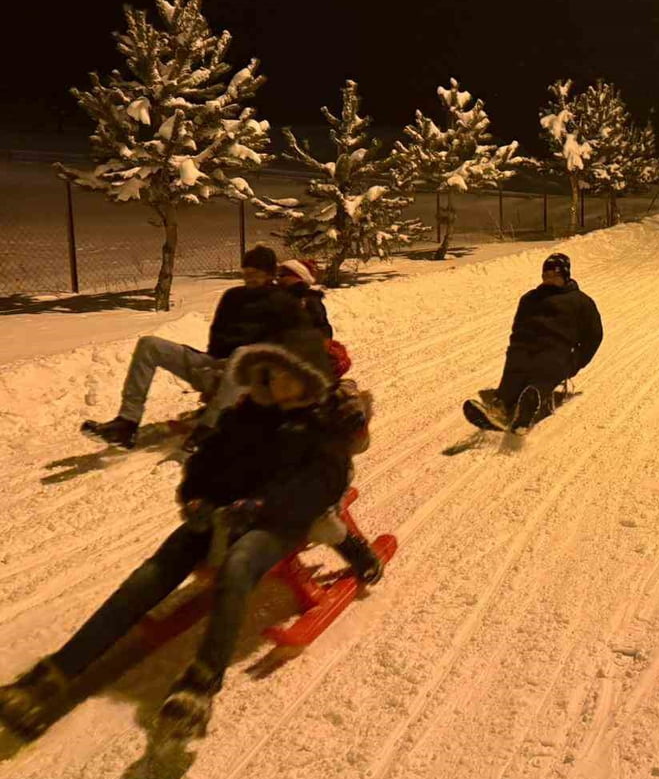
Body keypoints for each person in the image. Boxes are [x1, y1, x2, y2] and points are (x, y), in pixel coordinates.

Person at [0, 328, 380, 744]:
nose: (278, 381)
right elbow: (206, 461)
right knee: (151, 574)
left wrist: (261, 508)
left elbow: (321, 485)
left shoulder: (321, 426)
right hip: (223, 513)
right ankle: (56, 671)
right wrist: (196, 497)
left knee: (238, 566)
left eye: (290, 374)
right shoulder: (245, 413)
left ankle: (201, 685)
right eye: (273, 371)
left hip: (279, 523)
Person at [80, 246, 308, 452]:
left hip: (255, 376)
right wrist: (213, 372)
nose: (249, 278)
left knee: (242, 355)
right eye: (246, 273)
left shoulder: (284, 303)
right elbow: (217, 338)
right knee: (149, 345)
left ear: (269, 274)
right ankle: (126, 423)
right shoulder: (232, 297)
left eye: (255, 273)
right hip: (218, 367)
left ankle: (210, 427)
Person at [466, 253, 603, 431]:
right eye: (546, 276)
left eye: (555, 276)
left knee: (545, 371)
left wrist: (576, 361)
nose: (549, 280)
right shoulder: (530, 298)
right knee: (515, 369)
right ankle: (500, 407)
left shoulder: (581, 302)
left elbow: (594, 336)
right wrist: (516, 346)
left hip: (557, 351)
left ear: (565, 276)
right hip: (525, 348)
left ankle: (529, 407)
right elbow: (518, 327)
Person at [277, 258, 332, 338]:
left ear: (297, 278)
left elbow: (322, 328)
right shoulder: (276, 294)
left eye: (283, 275)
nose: (279, 278)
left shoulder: (310, 300)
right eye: (279, 275)